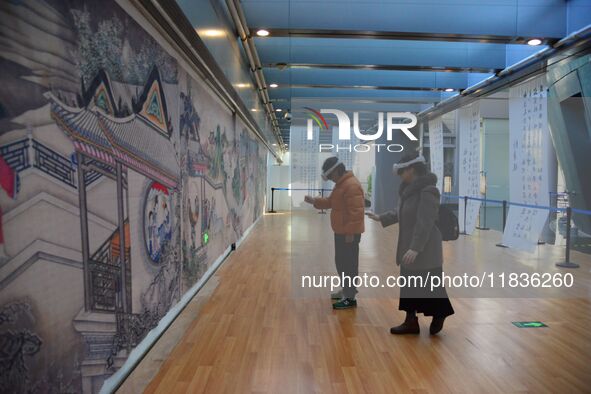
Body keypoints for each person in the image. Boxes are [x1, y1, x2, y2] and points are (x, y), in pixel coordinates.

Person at [368, 152, 454, 335]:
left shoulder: (428, 191)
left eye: (402, 171)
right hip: (410, 246)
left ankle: (440, 314)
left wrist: (415, 248)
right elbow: (401, 212)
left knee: (431, 285)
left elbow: (426, 222)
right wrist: (380, 217)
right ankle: (411, 321)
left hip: (425, 248)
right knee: (409, 285)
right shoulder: (408, 190)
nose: (399, 176)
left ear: (412, 169)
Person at [304, 157, 365, 309]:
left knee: (349, 265)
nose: (330, 179)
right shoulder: (341, 185)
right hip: (341, 231)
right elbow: (331, 202)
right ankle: (346, 290)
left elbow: (357, 212)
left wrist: (350, 232)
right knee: (341, 263)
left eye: (330, 176)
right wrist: (314, 201)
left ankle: (350, 298)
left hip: (348, 234)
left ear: (337, 171)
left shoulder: (351, 186)